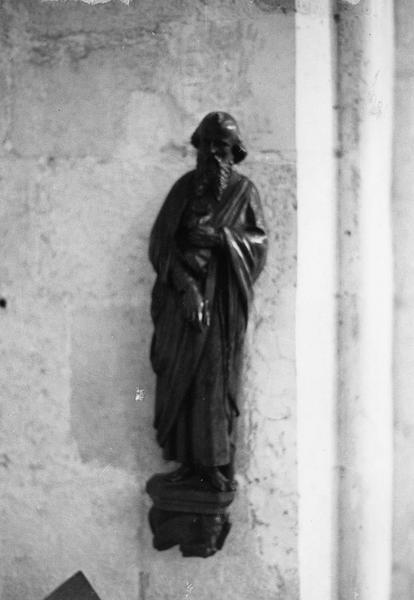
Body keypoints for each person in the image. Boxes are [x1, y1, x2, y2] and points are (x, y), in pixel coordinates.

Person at [149, 112, 267, 492]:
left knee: (213, 382)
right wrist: (186, 289)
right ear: (198, 145)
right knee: (176, 377)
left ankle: (214, 465)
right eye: (208, 144)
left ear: (235, 151)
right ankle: (185, 462)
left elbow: (258, 244)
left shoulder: (244, 192)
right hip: (181, 304)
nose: (214, 153)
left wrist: (220, 239)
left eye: (223, 145)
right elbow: (161, 245)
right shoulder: (183, 189)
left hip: (222, 307)